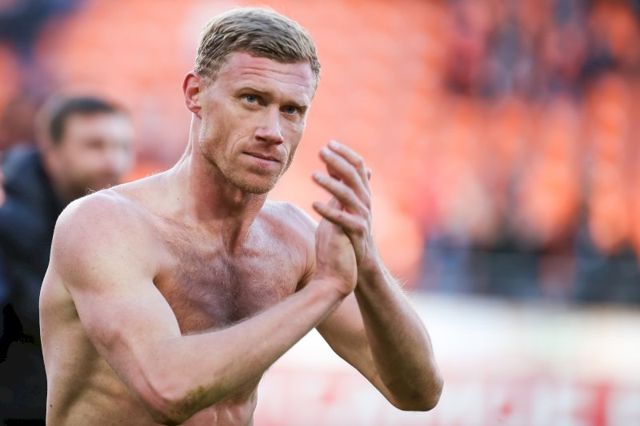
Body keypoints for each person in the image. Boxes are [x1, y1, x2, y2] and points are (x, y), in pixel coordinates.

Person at [40, 7, 443, 425]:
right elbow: (167, 388)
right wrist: (324, 290)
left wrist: (369, 263)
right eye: (252, 99)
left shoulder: (293, 240)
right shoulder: (105, 225)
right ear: (195, 94)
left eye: (292, 110)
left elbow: (418, 392)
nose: (273, 131)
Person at [0, 95, 134, 422]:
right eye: (94, 146)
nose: (113, 162)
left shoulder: (122, 224)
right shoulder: (7, 225)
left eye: (122, 147)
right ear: (53, 153)